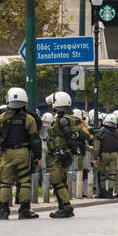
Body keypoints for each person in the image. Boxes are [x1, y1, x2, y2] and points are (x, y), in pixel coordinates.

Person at [0, 87, 41, 220]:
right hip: (23, 152)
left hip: (6, 153)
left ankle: (3, 210)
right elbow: (35, 140)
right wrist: (38, 156)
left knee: (5, 182)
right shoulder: (29, 119)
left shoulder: (1, 118)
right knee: (25, 182)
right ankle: (24, 209)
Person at [44, 91, 83, 219]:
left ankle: (66, 207)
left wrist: (71, 149)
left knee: (56, 180)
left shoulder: (64, 120)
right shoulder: (62, 119)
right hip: (61, 154)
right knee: (60, 181)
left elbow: (69, 137)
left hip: (61, 155)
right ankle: (63, 207)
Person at [93, 111, 118, 199]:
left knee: (101, 174)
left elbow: (97, 147)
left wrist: (95, 158)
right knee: (112, 174)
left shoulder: (101, 132)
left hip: (104, 154)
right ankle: (110, 192)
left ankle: (102, 192)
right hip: (114, 154)